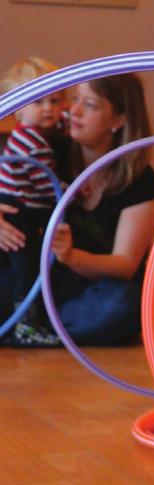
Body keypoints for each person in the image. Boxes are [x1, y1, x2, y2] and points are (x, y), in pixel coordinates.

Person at [0, 73, 154, 347]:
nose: (73, 111)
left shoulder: (140, 182)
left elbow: (125, 265)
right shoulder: (49, 151)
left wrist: (71, 256)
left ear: (118, 121)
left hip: (93, 287)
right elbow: (9, 180)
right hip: (37, 280)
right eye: (74, 99)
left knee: (121, 304)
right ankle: (34, 326)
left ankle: (30, 328)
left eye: (90, 105)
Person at [0, 57, 69, 346]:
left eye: (55, 101)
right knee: (27, 269)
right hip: (19, 211)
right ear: (18, 108)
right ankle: (26, 326)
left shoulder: (32, 132)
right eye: (39, 103)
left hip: (25, 207)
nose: (49, 110)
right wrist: (70, 190)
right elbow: (47, 184)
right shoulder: (32, 142)